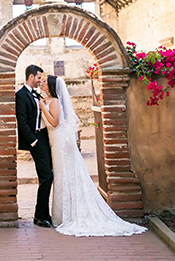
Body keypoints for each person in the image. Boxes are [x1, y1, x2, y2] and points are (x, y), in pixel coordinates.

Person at [39, 75, 147, 237]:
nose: (42, 82)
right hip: (55, 141)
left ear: (52, 86)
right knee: (63, 175)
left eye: (45, 81)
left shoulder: (54, 101)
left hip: (60, 141)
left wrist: (42, 107)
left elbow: (54, 122)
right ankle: (63, 213)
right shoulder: (49, 99)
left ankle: (70, 214)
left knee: (65, 175)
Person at [15, 64, 54, 227]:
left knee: (48, 175)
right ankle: (39, 216)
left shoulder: (37, 94)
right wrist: (34, 141)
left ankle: (45, 213)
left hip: (45, 138)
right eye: (39, 77)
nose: (40, 81)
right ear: (31, 77)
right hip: (36, 140)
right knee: (47, 177)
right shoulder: (21, 95)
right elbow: (22, 121)